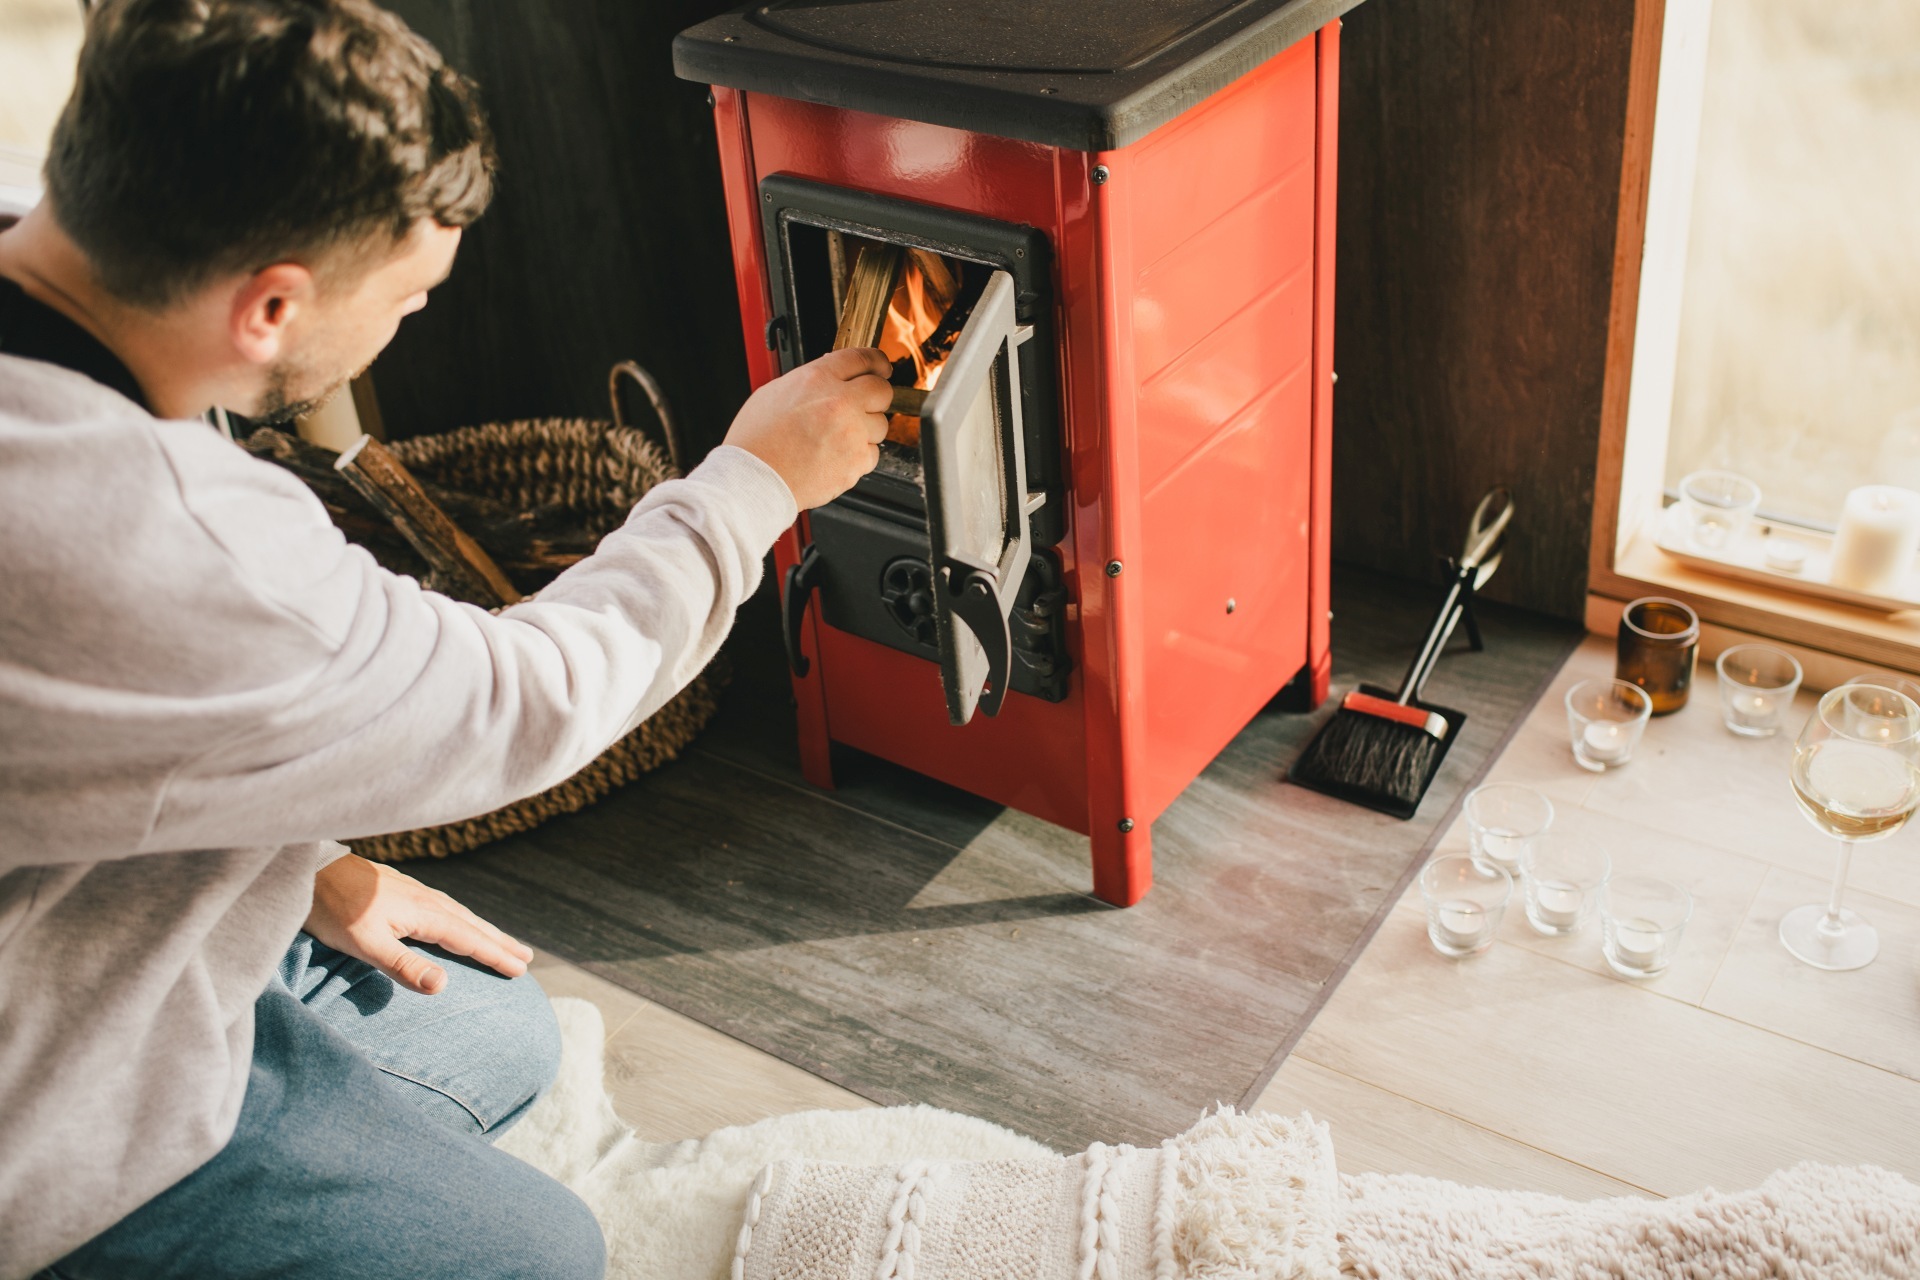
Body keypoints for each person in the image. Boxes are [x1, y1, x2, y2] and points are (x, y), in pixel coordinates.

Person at [0, 1, 893, 1276]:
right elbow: (528, 694)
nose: (412, 321)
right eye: (413, 298)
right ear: (270, 308)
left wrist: (302, 867)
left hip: (63, 928)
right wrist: (754, 480)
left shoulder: (68, 281)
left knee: (498, 1034)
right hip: (37, 1107)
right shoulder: (163, 541)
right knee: (538, 1253)